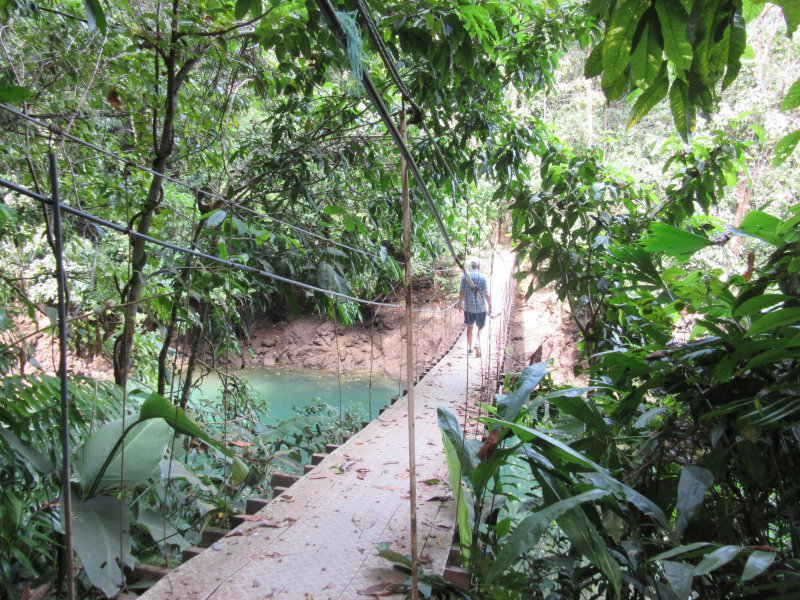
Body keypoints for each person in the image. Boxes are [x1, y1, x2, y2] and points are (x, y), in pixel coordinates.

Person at [458, 258, 492, 357]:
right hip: (481, 308)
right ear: (479, 266)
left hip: (468, 307)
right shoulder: (483, 277)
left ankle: (470, 348)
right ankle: (477, 343)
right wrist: (490, 305)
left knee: (469, 327)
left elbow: (461, 292)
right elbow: (487, 293)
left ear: (471, 267)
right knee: (481, 327)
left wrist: (460, 303)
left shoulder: (464, 277)